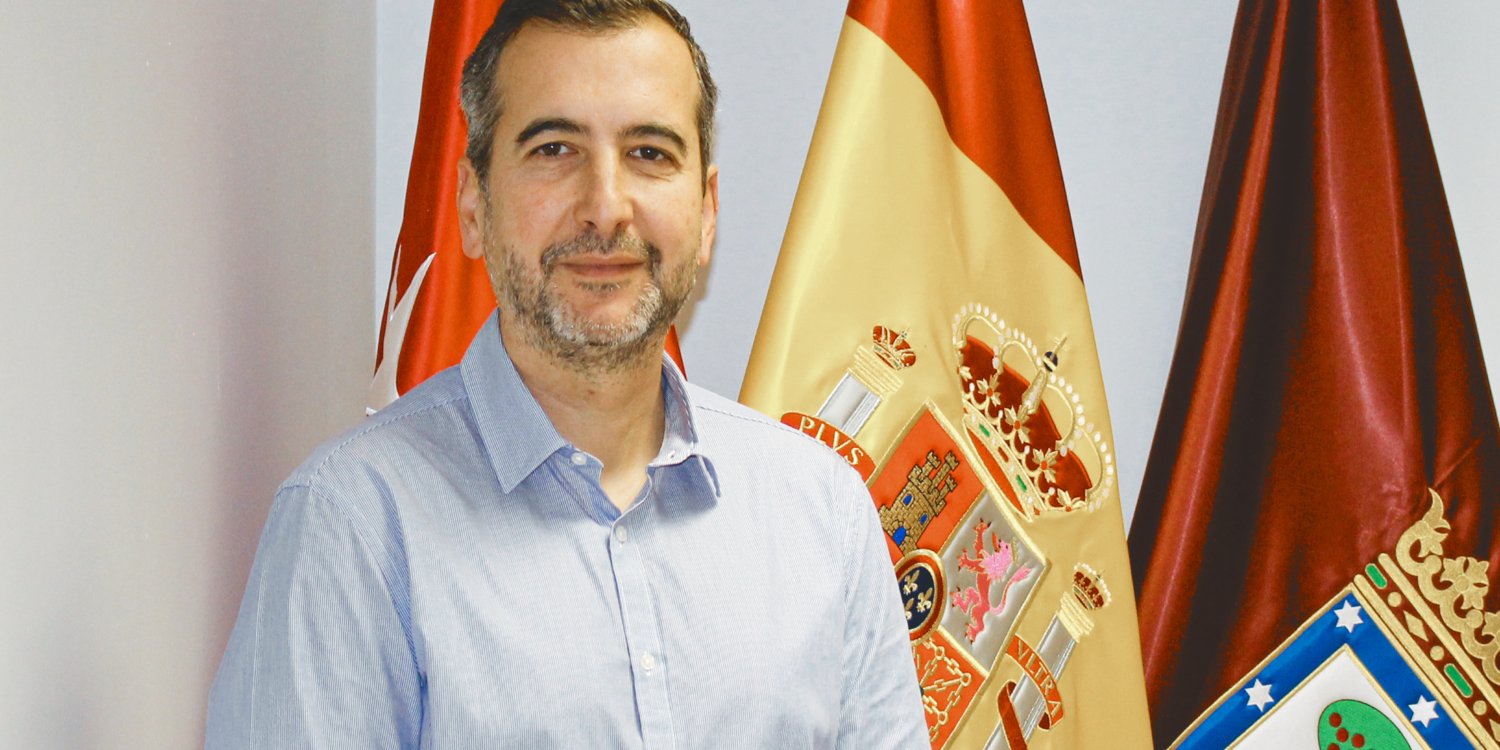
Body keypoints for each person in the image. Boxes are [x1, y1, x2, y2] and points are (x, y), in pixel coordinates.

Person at [205, 0, 926, 747]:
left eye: (650, 152)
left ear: (707, 212)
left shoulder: (823, 512)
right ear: (473, 205)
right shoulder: (352, 524)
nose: (605, 206)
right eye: (554, 149)